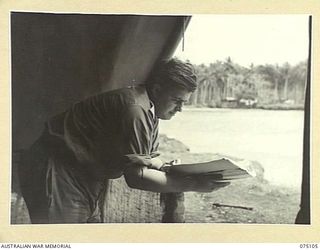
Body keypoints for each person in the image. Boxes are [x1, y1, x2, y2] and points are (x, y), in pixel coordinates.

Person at [18, 58, 230, 224]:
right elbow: (136, 177)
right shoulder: (136, 109)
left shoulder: (149, 108)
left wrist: (166, 167)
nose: (180, 109)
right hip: (57, 168)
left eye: (183, 103)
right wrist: (193, 184)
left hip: (85, 174)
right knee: (63, 238)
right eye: (176, 100)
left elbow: (144, 160)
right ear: (157, 89)